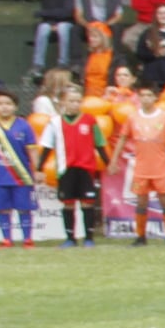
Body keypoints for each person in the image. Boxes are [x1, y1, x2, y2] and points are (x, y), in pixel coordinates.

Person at [122, 96, 165, 245]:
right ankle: (140, 237)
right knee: (141, 201)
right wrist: (113, 160)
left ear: (155, 97)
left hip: (160, 168)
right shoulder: (133, 117)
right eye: (143, 95)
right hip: (141, 169)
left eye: (149, 95)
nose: (146, 98)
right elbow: (122, 138)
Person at [53, 99, 108, 246]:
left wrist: (108, 162)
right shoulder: (56, 122)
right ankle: (70, 238)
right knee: (68, 203)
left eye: (77, 101)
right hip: (66, 169)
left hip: (86, 168)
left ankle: (89, 238)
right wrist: (39, 167)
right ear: (63, 103)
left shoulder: (89, 120)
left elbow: (100, 143)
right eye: (71, 100)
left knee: (87, 203)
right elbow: (47, 145)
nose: (74, 104)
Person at [0, 90, 34, 246]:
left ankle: (27, 239)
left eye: (8, 104)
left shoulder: (24, 125)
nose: (4, 107)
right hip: (0, 176)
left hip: (22, 175)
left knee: (24, 208)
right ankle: (7, 239)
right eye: (0, 104)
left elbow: (32, 150)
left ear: (15, 107)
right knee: (3, 208)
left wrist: (37, 170)